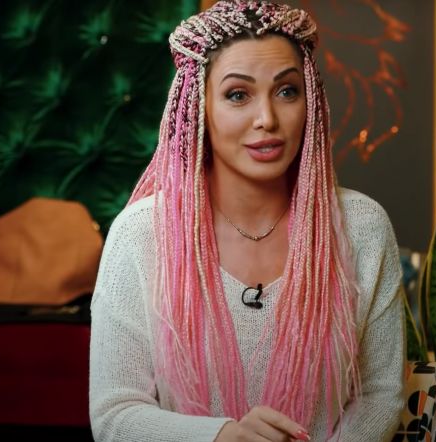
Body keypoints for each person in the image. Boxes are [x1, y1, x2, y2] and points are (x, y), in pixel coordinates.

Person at [89, 1, 405, 441]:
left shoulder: (362, 227)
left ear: (311, 102)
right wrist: (222, 436)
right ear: (198, 107)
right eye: (238, 95)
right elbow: (115, 415)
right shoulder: (141, 235)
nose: (267, 119)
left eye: (287, 91)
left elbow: (381, 394)